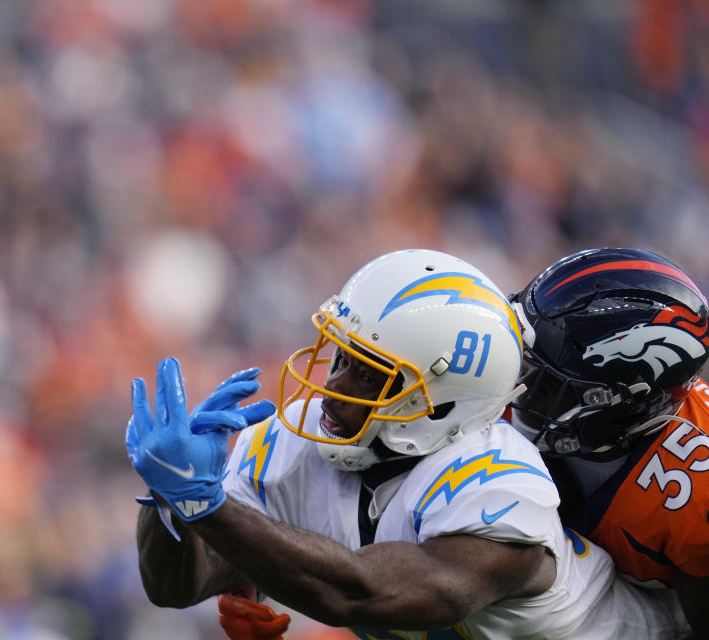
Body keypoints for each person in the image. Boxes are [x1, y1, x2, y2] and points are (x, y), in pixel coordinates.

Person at [126, 248, 691, 639]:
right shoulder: (296, 440)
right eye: (342, 356)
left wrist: (212, 509)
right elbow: (176, 585)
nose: (331, 388)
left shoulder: (499, 480)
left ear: (439, 401)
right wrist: (169, 499)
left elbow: (363, 592)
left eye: (370, 376)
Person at [507, 247, 709, 638]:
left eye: (549, 385)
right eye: (524, 364)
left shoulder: (692, 493)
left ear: (622, 404)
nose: (520, 388)